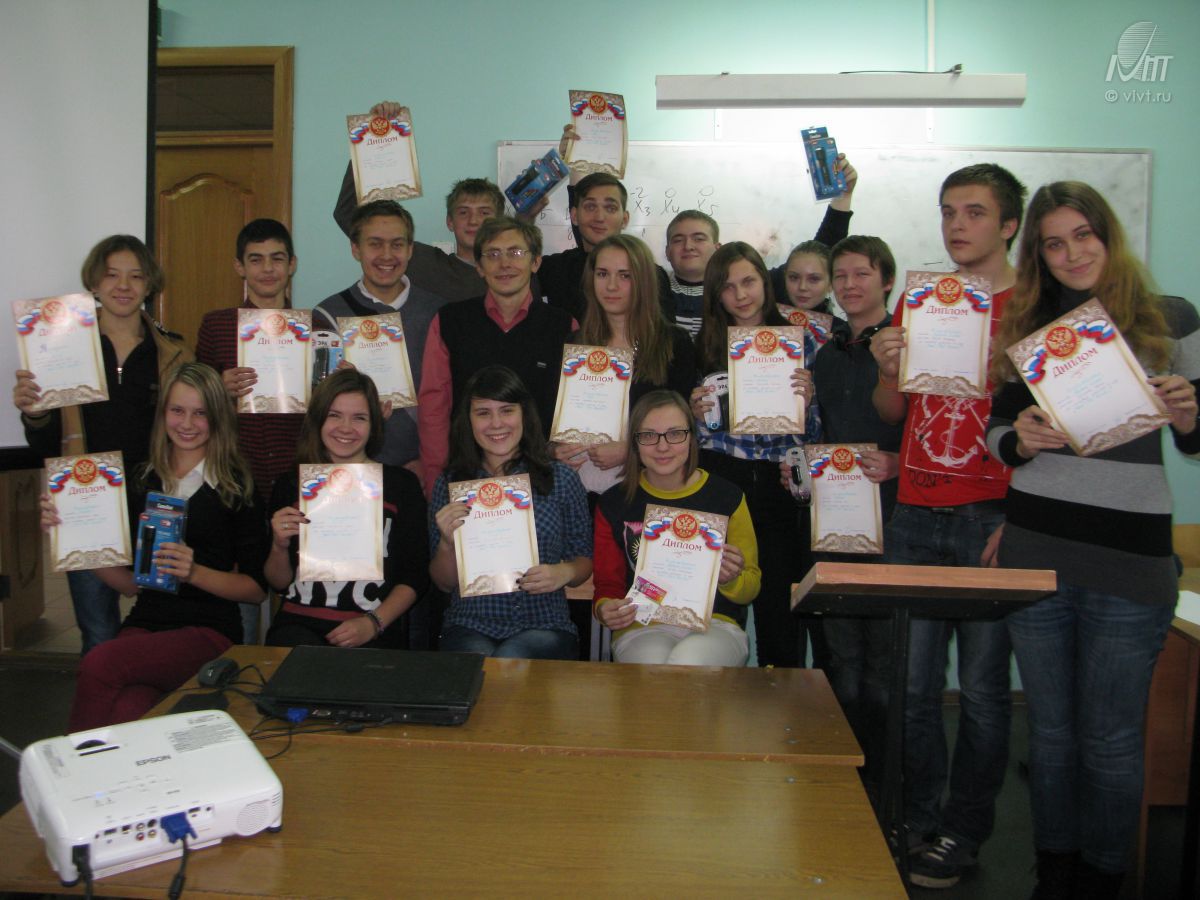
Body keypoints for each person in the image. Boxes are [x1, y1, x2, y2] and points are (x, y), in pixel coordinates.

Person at [985, 181, 1199, 899]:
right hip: (1036, 549)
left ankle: (1105, 878)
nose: (1072, 253)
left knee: (1110, 739)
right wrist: (1021, 438)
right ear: (1038, 255)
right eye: (1054, 243)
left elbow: (1198, 437)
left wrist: (1189, 413)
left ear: (1108, 236)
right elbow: (996, 435)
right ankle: (1056, 872)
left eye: (1084, 235)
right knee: (1050, 734)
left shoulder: (1171, 318)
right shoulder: (1029, 326)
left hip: (1130, 562)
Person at [870, 163, 1027, 888]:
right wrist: (885, 369)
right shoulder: (923, 299)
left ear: (1009, 224)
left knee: (986, 691)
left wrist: (1020, 519)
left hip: (990, 513)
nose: (957, 225)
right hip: (915, 509)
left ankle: (963, 832)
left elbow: (1049, 430)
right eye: (947, 211)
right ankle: (918, 819)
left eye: (974, 212)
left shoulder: (1033, 307)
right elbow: (893, 412)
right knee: (913, 687)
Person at [59, 363, 268, 731]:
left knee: (100, 662)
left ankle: (68, 764)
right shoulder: (144, 479)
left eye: (200, 413)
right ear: (163, 414)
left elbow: (255, 590)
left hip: (208, 631)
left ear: (218, 417)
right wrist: (70, 533)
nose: (187, 423)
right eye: (177, 410)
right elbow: (129, 584)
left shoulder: (236, 488)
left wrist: (194, 572)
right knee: (130, 709)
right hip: (146, 623)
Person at [13, 235, 192, 654]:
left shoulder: (174, 351)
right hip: (86, 502)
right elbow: (46, 443)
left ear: (150, 285)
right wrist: (35, 412)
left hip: (157, 502)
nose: (123, 285)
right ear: (94, 283)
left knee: (162, 631)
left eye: (136, 276)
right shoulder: (61, 347)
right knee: (97, 635)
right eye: (111, 275)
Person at [691, 242, 820, 667]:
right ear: (716, 295)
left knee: (779, 613)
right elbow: (696, 436)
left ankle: (780, 696)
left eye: (748, 281)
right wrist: (695, 414)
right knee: (717, 607)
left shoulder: (801, 342)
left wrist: (808, 403)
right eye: (728, 287)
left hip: (778, 482)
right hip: (721, 480)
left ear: (765, 281)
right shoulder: (704, 345)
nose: (741, 294)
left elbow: (816, 436)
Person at [808, 235, 904, 799]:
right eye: (839, 275)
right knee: (842, 659)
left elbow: (928, 425)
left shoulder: (907, 347)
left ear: (886, 280)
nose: (848, 285)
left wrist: (900, 462)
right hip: (836, 521)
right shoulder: (826, 355)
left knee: (885, 664)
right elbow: (823, 433)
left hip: (895, 521)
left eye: (861, 274)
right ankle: (845, 782)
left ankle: (885, 788)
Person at [429, 365, 592, 659]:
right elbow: (444, 583)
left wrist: (564, 572)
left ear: (523, 414)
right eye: (483, 413)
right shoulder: (451, 483)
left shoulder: (561, 479)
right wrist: (446, 543)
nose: (496, 423)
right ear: (468, 420)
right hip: (470, 624)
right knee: (484, 663)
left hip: (546, 624)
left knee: (509, 660)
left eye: (507, 410)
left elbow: (583, 561)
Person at [265, 369, 429, 649]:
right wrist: (279, 546)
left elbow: (415, 576)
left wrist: (374, 623)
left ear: (374, 424)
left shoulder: (401, 485)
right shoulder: (291, 484)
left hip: (373, 629)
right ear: (318, 419)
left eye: (359, 418)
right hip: (298, 626)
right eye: (334, 415)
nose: (346, 427)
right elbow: (278, 582)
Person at [593, 390, 760, 665]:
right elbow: (608, 586)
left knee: (689, 660)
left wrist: (730, 579)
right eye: (649, 435)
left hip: (716, 623)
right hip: (642, 625)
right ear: (634, 442)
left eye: (675, 434)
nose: (662, 446)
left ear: (692, 437)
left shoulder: (727, 497)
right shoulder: (614, 503)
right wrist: (605, 608)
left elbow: (750, 588)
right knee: (653, 662)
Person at [196, 218, 304, 642]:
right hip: (235, 483)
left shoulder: (312, 327)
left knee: (294, 594)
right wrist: (216, 388)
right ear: (239, 267)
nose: (267, 269)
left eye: (277, 258)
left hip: (294, 478)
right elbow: (193, 408)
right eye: (255, 260)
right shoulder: (217, 325)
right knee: (241, 601)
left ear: (292, 264)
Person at [417, 216, 575, 495]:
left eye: (516, 252)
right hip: (468, 478)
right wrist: (436, 482)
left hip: (542, 480)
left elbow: (574, 410)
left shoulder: (564, 326)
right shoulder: (449, 322)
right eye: (492, 254)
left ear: (535, 262)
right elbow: (434, 407)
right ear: (479, 267)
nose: (504, 264)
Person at [553, 234, 696, 493]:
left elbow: (683, 429)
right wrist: (556, 449)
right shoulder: (576, 343)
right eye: (602, 274)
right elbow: (557, 418)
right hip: (581, 488)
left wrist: (631, 449)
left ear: (643, 281)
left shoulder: (674, 343)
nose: (611, 286)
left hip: (649, 488)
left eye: (625, 276)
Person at [314, 199, 447, 474]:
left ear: (410, 249)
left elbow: (448, 397)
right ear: (356, 249)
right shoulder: (326, 315)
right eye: (375, 244)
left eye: (397, 244)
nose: (387, 255)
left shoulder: (439, 312)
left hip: (425, 468)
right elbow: (318, 407)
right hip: (351, 469)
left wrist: (429, 463)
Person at [663, 157, 857, 337]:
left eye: (699, 238)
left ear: (717, 248)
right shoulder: (655, 287)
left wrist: (842, 197)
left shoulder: (761, 283)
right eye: (678, 240)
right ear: (667, 251)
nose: (688, 246)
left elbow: (820, 254)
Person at [333, 100, 504, 303]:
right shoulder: (427, 265)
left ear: (499, 221)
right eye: (463, 212)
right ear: (449, 222)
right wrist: (374, 136)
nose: (474, 221)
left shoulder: (513, 270)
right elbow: (348, 214)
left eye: (484, 213)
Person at [536, 169, 673, 323]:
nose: (599, 217)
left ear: (625, 219)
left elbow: (665, 335)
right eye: (590, 207)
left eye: (610, 208)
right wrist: (525, 219)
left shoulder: (650, 274)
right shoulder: (555, 268)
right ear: (574, 216)